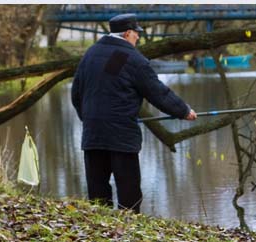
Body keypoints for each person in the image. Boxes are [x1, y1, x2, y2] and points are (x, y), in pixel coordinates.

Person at [71, 13, 197, 213]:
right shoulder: (133, 59)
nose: (138, 37)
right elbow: (157, 92)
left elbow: (76, 93)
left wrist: (88, 119)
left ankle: (100, 231)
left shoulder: (91, 53)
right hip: (121, 136)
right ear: (128, 34)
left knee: (97, 191)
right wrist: (183, 110)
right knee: (128, 192)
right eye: (136, 33)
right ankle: (128, 233)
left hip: (93, 133)